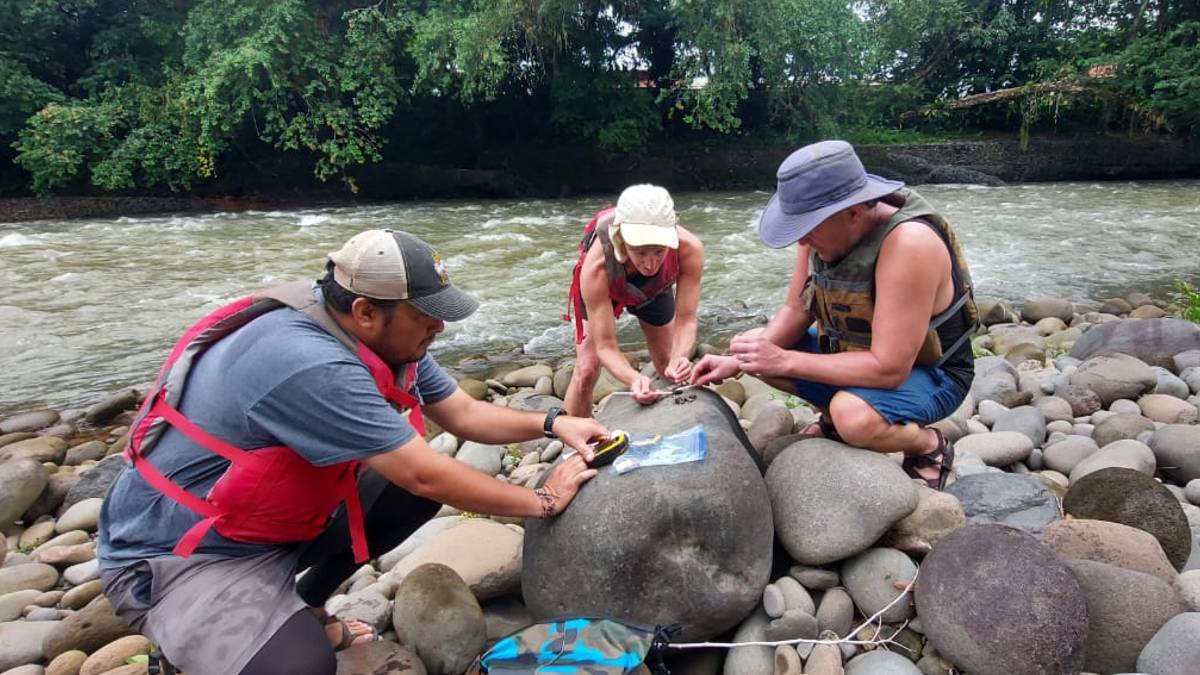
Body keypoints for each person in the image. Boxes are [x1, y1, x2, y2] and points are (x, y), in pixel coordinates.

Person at [97, 229, 608, 675]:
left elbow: (463, 414)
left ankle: (304, 603)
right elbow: (423, 474)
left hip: (264, 522)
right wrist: (543, 501)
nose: (441, 328)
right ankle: (185, 652)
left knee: (402, 496)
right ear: (365, 311)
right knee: (300, 666)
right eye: (426, 315)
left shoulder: (386, 340)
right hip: (180, 553)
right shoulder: (309, 362)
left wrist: (556, 423)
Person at [692, 141, 979, 490]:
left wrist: (785, 361)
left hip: (932, 374)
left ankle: (928, 445)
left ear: (854, 212)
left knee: (853, 417)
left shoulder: (908, 244)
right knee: (754, 345)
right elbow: (795, 310)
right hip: (857, 360)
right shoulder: (822, 235)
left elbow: (889, 369)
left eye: (808, 227)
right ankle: (836, 417)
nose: (801, 242)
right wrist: (735, 362)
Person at [563, 184, 704, 416]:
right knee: (587, 369)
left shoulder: (689, 249)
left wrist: (680, 359)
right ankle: (572, 439)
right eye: (640, 252)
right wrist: (634, 378)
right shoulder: (596, 268)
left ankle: (673, 424)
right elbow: (605, 346)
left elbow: (686, 320)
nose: (650, 264)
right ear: (622, 240)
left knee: (669, 365)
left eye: (659, 251)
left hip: (655, 289)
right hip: (610, 282)